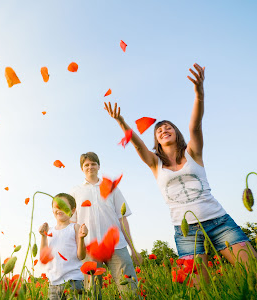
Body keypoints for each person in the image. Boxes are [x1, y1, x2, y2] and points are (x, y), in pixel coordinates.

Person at [104, 63, 257, 282]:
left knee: (252, 270)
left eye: (168, 127)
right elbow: (137, 145)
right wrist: (120, 121)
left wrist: (199, 94)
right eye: (159, 130)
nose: (163, 130)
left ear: (176, 132)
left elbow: (195, 126)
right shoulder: (154, 163)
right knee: (200, 289)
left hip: (219, 222)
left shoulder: (194, 152)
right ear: (156, 139)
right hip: (186, 232)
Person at [70, 152, 141, 298]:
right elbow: (73, 224)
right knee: (92, 293)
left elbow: (122, 219)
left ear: (99, 166)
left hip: (117, 246)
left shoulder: (111, 188)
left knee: (130, 290)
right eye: (86, 165)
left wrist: (133, 248)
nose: (90, 167)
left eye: (93, 164)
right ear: (82, 168)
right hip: (89, 248)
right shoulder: (75, 192)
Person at [39, 193, 88, 300]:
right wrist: (43, 236)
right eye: (56, 206)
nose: (59, 209)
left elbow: (81, 256)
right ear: (52, 210)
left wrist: (81, 238)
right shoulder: (50, 231)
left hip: (74, 282)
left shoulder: (74, 227)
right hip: (54, 284)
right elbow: (44, 257)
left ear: (73, 210)